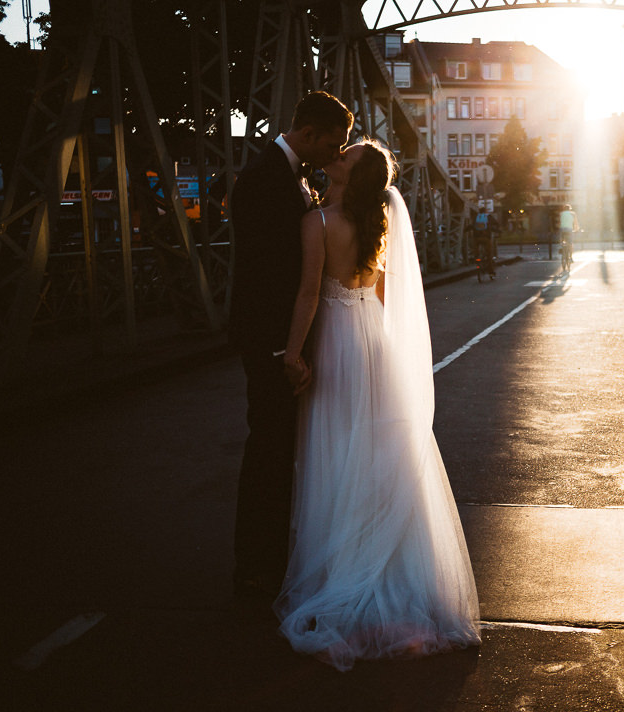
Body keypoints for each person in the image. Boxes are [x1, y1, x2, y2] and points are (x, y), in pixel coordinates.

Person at [274, 138, 481, 671]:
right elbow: (385, 295)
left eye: (345, 156)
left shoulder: (318, 223)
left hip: (337, 341)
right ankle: (397, 572)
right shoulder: (377, 224)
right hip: (372, 341)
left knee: (338, 454)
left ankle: (346, 569)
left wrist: (293, 353)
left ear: (351, 174)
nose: (336, 156)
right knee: (382, 459)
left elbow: (308, 293)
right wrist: (385, 349)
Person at [228, 91, 353, 600]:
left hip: (286, 341)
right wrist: (284, 352)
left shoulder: (293, 176)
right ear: (308, 134)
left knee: (283, 456)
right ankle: (256, 569)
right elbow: (265, 277)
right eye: (334, 142)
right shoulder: (263, 180)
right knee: (269, 456)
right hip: (270, 343)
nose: (338, 153)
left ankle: (274, 561)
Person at [473, 207, 496, 278]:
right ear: (486, 211)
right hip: (486, 238)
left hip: (476, 239)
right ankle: (491, 272)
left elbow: (471, 226)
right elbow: (496, 224)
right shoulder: (489, 217)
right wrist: (498, 230)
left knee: (476, 254)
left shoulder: (476, 217)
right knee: (489, 255)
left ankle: (478, 262)